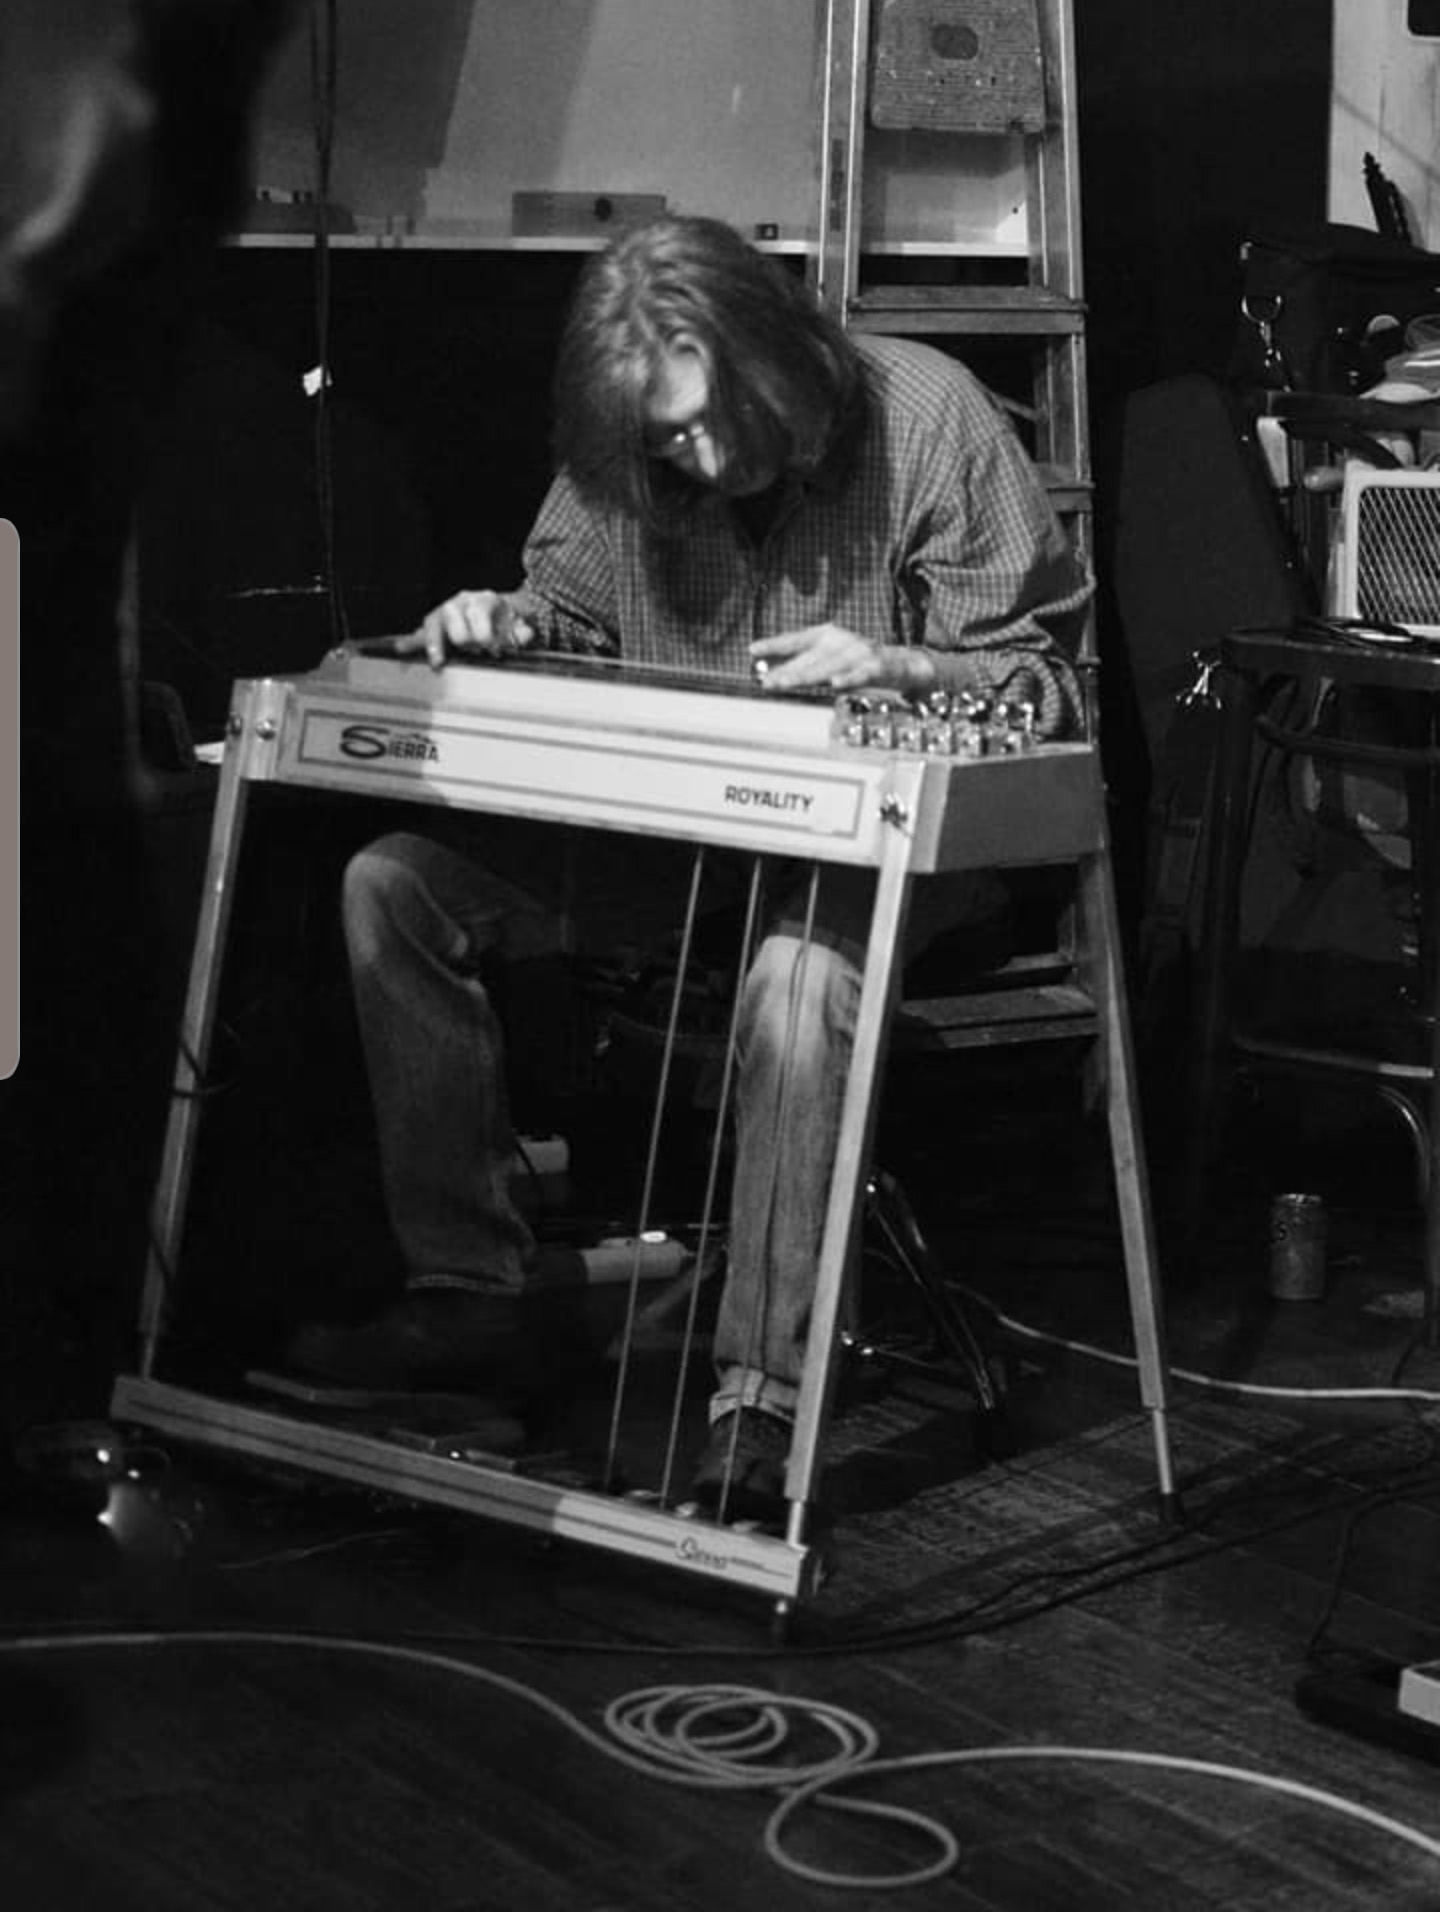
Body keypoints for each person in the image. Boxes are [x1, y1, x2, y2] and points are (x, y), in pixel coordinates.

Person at [283, 212, 1091, 1523]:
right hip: (686, 843)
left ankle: (759, 1404)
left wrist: (906, 666)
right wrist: (503, 627)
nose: (702, 461)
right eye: (667, 445)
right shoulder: (628, 446)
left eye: (713, 423)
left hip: (894, 849)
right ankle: (472, 1301)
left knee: (795, 983)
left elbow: (1047, 690)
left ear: (771, 356)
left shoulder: (929, 416)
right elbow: (570, 624)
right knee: (395, 884)